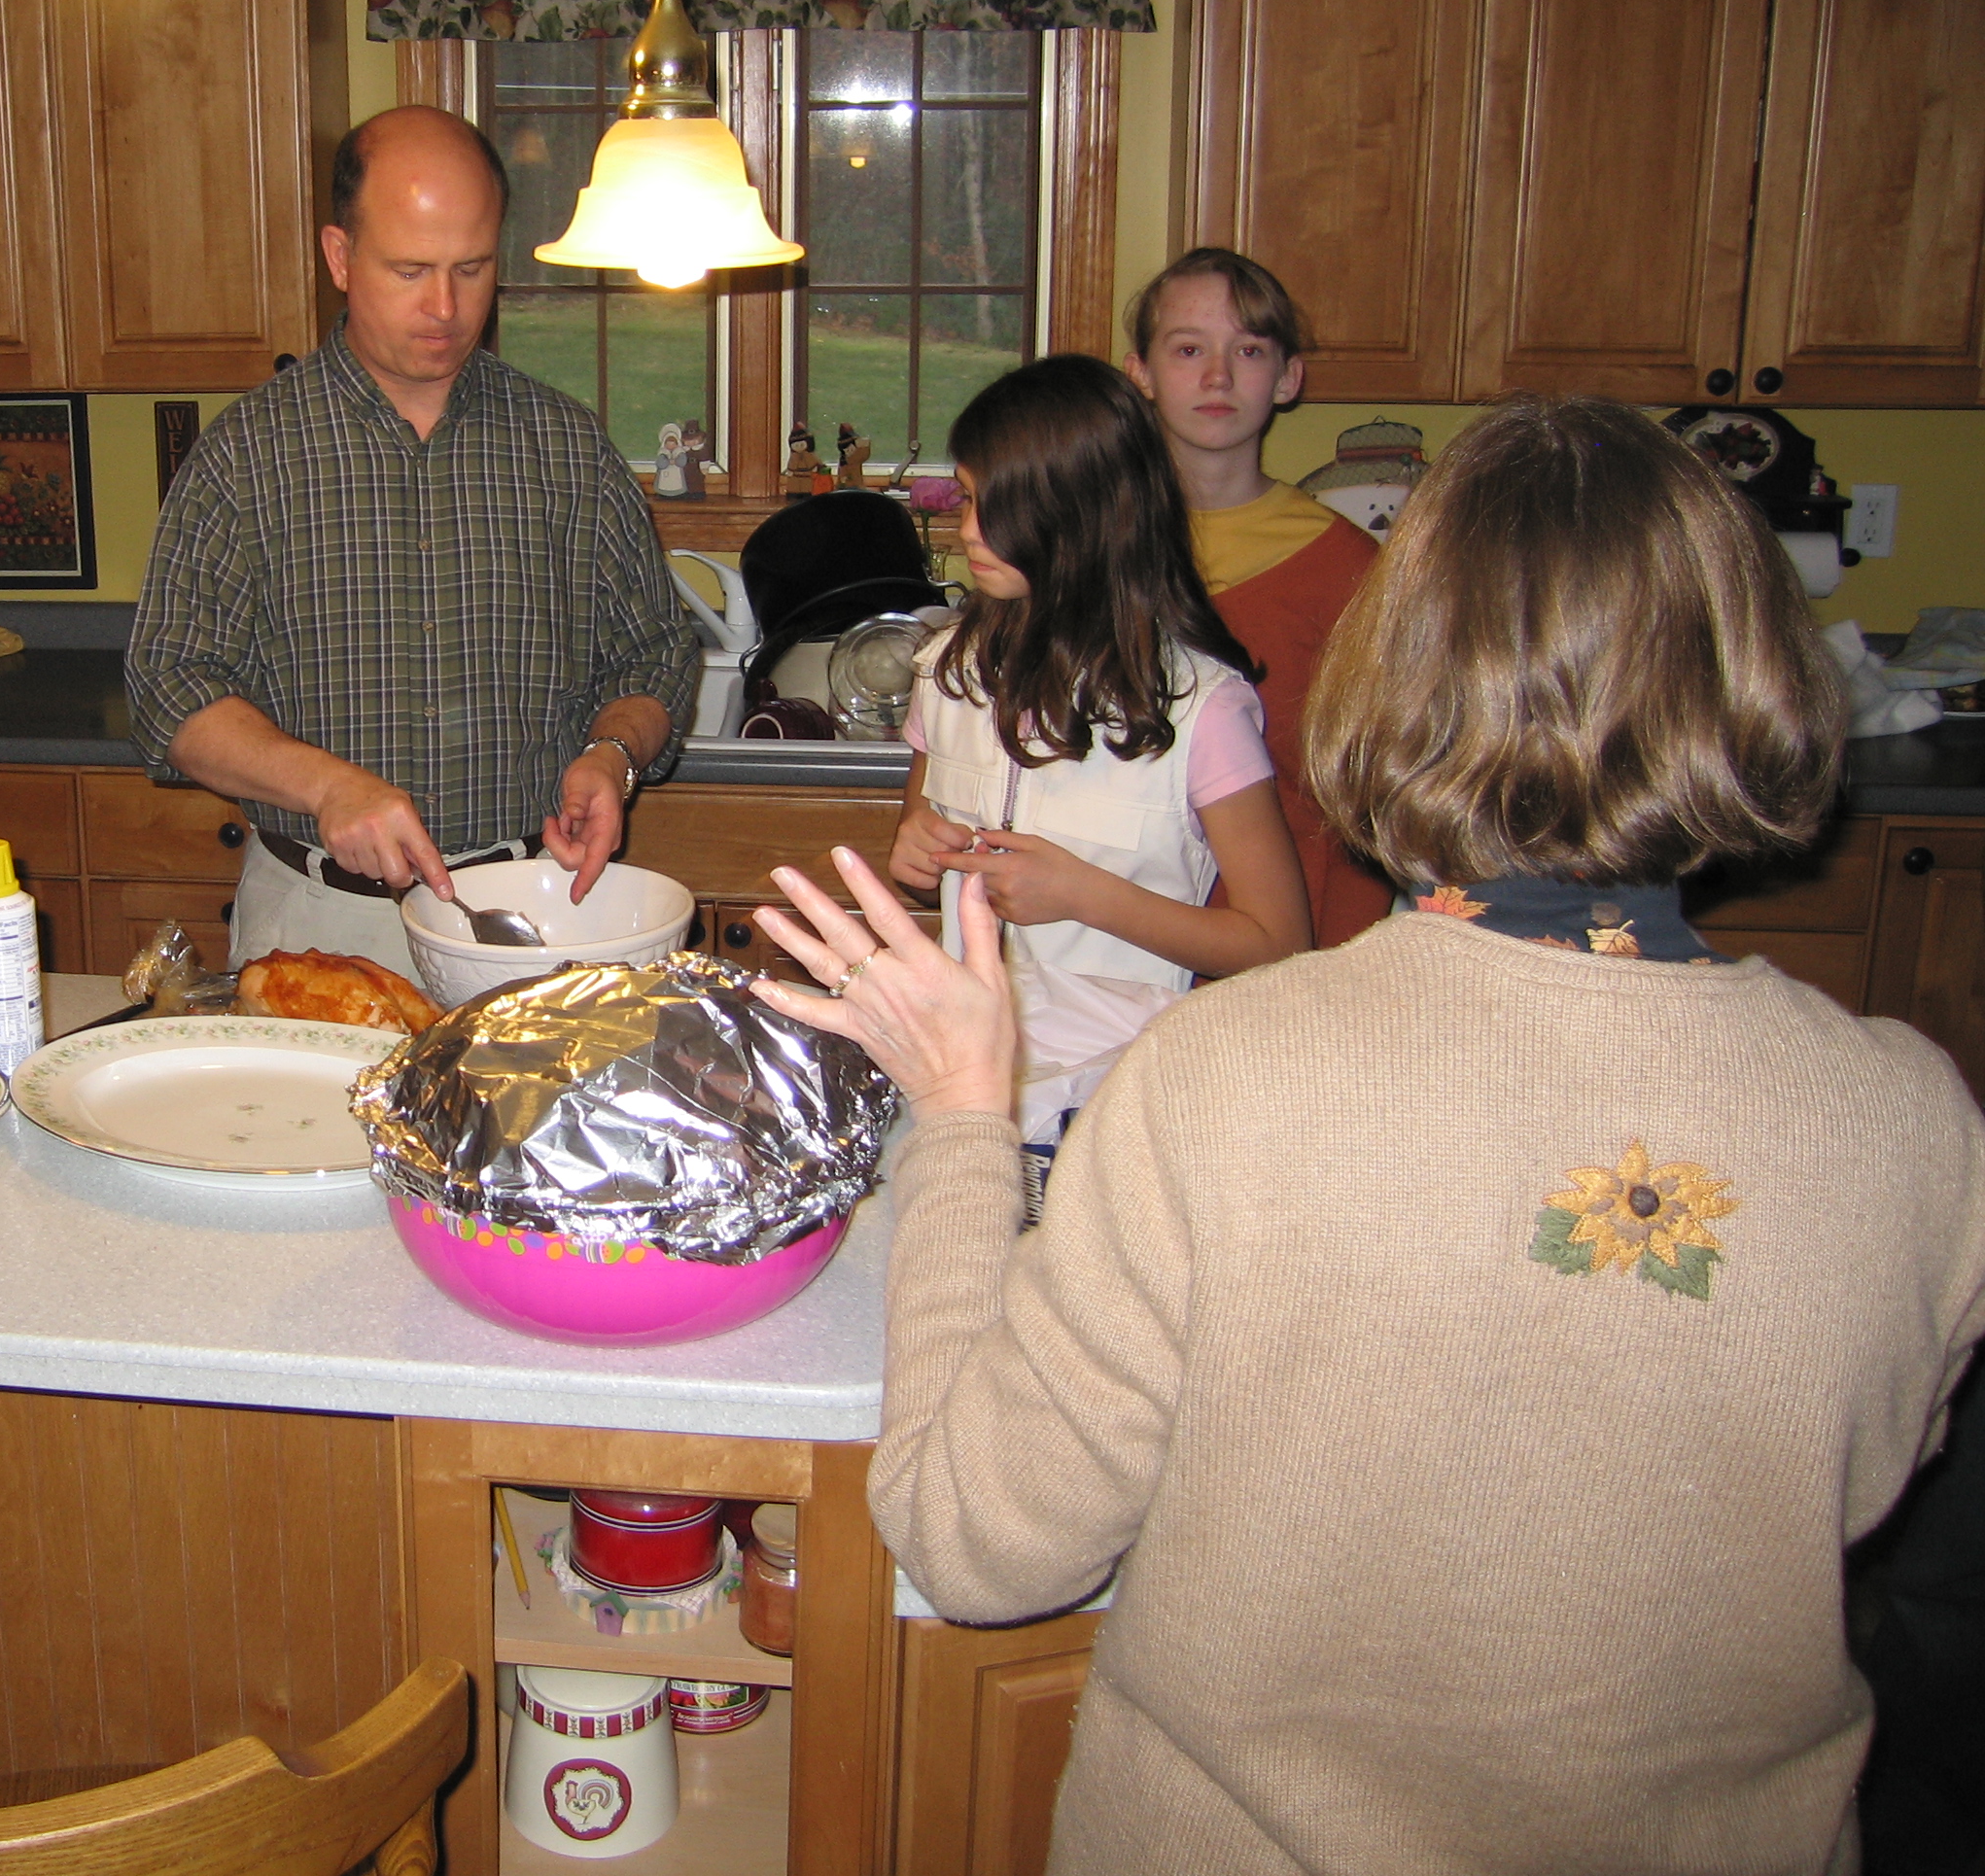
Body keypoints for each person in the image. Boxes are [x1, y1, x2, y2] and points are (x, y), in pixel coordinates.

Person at [753, 397, 1985, 1876]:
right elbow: (1856, 1476)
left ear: (1392, 682)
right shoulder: (1917, 1120)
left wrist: (964, 1115)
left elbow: (975, 1543)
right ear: (1759, 685)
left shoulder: (1215, 1082)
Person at [126, 106, 695, 980]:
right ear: (340, 257)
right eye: (410, 270)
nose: (446, 307)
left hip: (532, 914)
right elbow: (168, 686)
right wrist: (326, 785)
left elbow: (655, 654)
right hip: (321, 921)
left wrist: (612, 755)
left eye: (472, 268)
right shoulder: (246, 456)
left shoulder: (567, 448)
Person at [886, 356, 1309, 1177]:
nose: (968, 530)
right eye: (968, 499)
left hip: (1123, 1105)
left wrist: (1084, 895)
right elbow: (917, 842)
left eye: (1000, 506)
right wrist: (913, 854)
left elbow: (1278, 944)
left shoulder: (1204, 711)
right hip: (961, 1082)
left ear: (1088, 516)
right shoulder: (946, 674)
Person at [1124, 250, 1388, 945]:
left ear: (1287, 377)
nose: (1218, 376)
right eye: (1189, 350)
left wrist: (1338, 963)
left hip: (1289, 943)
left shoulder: (1348, 569)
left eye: (1248, 350)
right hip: (1109, 941)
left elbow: (1369, 799)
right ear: (1140, 372)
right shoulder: (1098, 549)